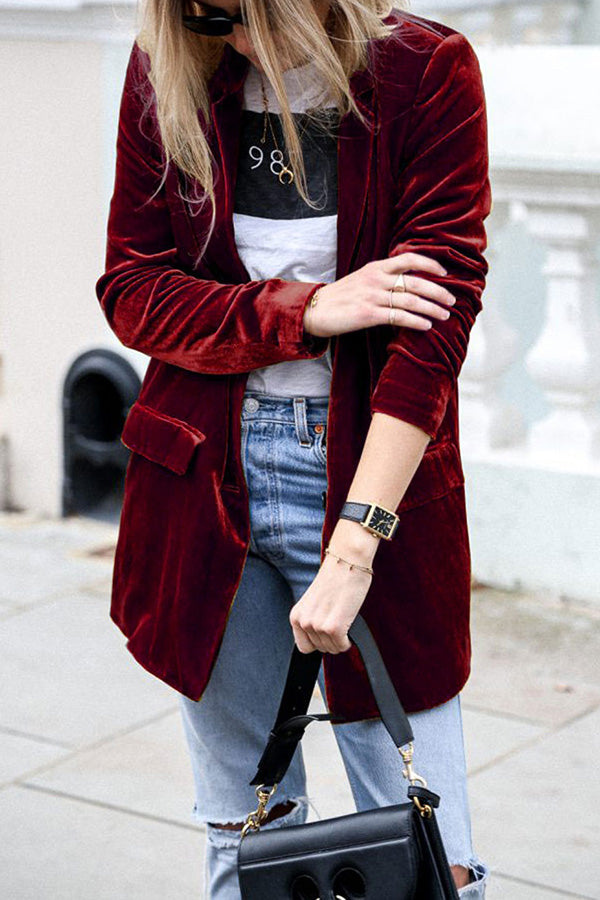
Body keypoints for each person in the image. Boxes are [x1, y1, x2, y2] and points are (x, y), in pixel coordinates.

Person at [96, 1, 493, 897]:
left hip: (367, 474)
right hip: (202, 485)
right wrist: (306, 309)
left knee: (430, 855)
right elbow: (132, 288)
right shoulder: (173, 66)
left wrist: (356, 544)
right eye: (194, 15)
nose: (219, 33)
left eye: (233, 10)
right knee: (245, 838)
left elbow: (431, 335)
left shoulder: (425, 73)